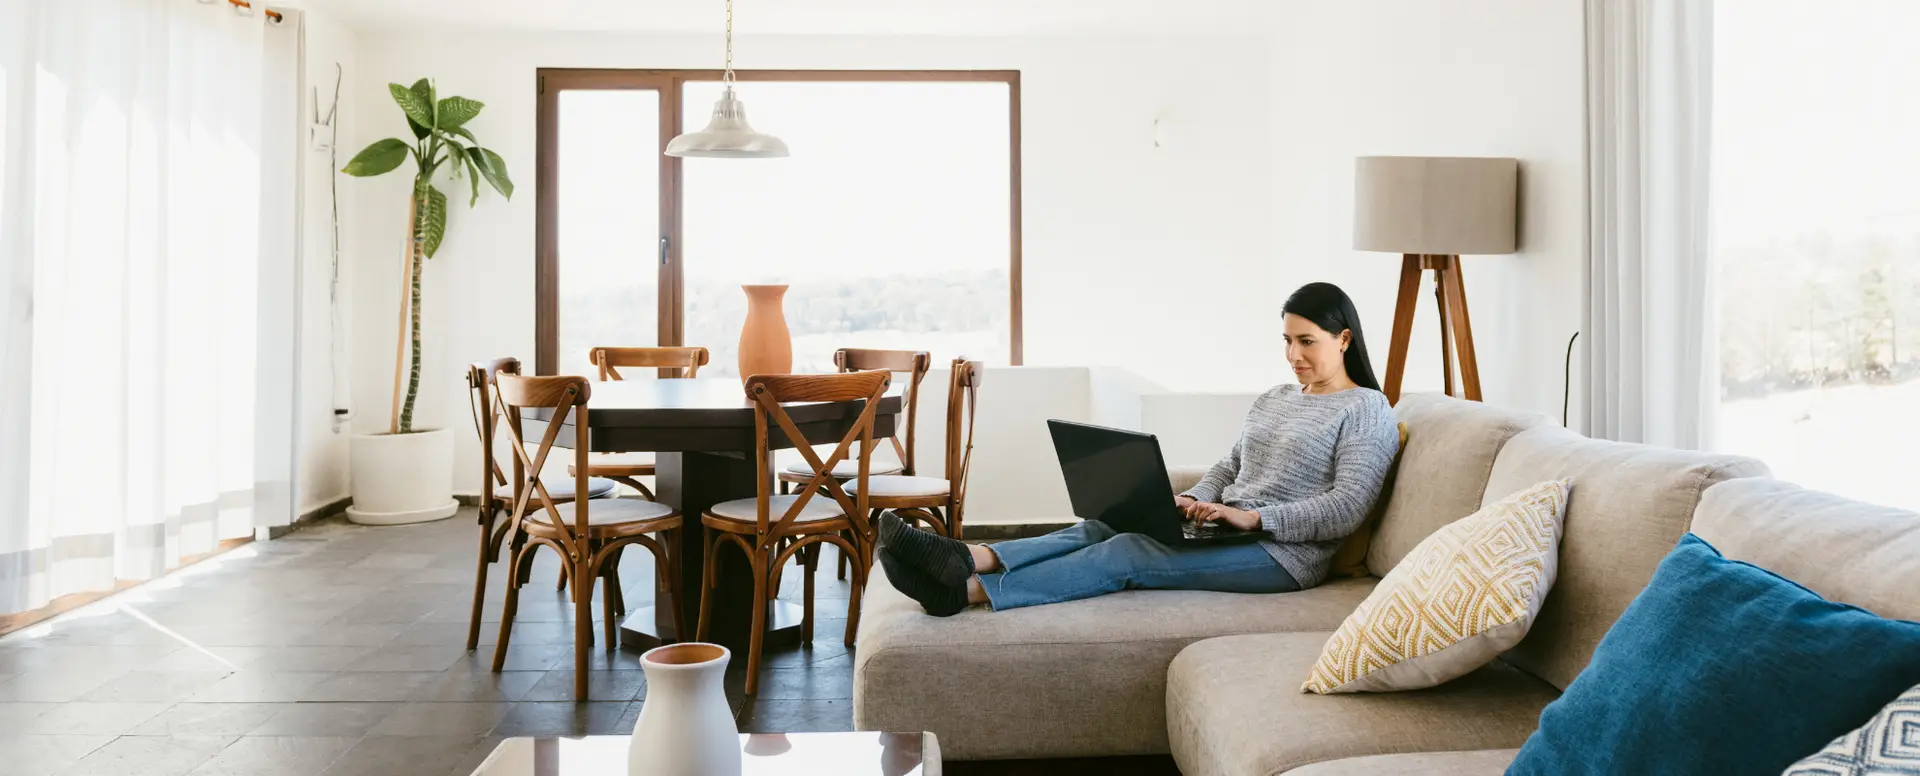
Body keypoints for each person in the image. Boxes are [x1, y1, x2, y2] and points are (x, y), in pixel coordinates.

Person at [876, 282, 1401, 616]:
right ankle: (968, 556)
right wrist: (1195, 499)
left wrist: (1256, 519)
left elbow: (1348, 507)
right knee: (1105, 523)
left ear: (1345, 340)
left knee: (1128, 551)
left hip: (1283, 556)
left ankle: (965, 592)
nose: (1293, 355)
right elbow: (1231, 464)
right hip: (1226, 529)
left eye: (1306, 341)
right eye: (1286, 340)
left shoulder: (1367, 410)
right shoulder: (1278, 396)